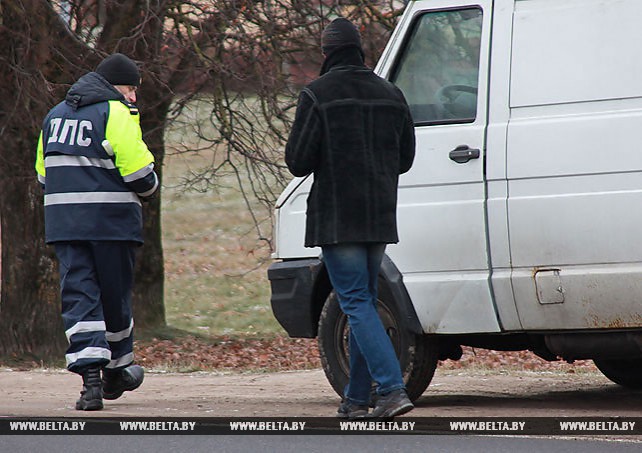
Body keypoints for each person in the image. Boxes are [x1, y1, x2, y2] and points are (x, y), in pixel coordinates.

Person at [285, 18, 416, 419]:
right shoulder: (391, 93)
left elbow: (297, 161)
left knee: (355, 302)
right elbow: (405, 160)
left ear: (326, 53)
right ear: (361, 51)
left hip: (339, 217)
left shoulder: (318, 94)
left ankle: (392, 390)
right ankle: (357, 399)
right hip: (378, 215)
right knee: (364, 303)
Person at [35, 53, 158, 411]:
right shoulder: (115, 112)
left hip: (64, 225)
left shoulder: (53, 116)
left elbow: (44, 175)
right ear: (113, 86)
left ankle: (90, 382)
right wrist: (151, 188)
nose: (133, 97)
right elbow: (138, 173)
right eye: (130, 88)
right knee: (114, 296)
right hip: (111, 223)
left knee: (80, 297)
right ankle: (117, 370)